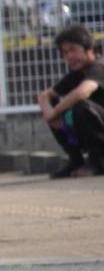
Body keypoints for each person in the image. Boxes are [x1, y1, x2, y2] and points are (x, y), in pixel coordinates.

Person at [38, 24, 104, 178]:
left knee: (81, 106)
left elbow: (82, 92)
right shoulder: (78, 73)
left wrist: (56, 111)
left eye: (73, 50)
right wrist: (50, 113)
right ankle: (76, 161)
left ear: (89, 49)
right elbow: (45, 95)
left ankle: (98, 162)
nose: (69, 56)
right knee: (56, 103)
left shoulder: (99, 67)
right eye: (65, 52)